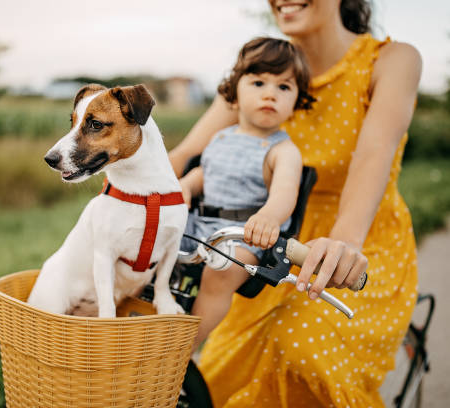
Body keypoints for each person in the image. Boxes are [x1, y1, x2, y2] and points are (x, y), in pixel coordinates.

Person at [169, 0, 422, 406]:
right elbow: (185, 156)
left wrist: (343, 242)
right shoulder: (264, 64)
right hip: (267, 247)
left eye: (283, 88)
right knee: (213, 384)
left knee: (300, 353)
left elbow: (374, 153)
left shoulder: (392, 60)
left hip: (356, 242)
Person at [178, 37, 315, 349]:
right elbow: (206, 174)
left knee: (221, 270)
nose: (270, 93)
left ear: (296, 100)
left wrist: (268, 217)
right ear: (235, 93)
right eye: (258, 82)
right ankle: (128, 316)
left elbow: (284, 192)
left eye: (284, 87)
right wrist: (187, 185)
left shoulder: (283, 150)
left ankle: (183, 347)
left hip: (244, 234)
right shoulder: (222, 137)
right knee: (150, 238)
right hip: (200, 223)